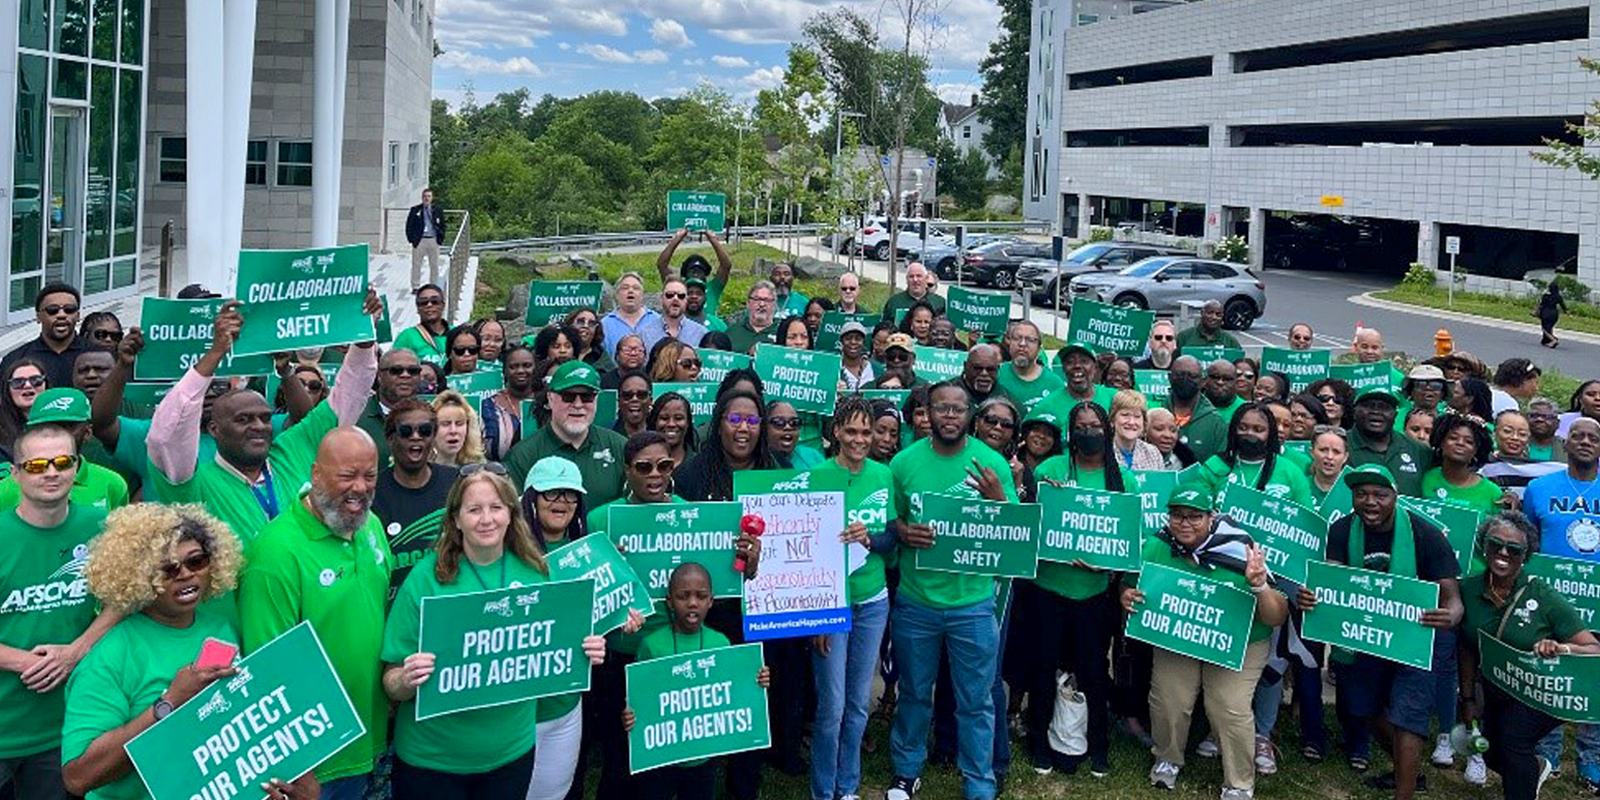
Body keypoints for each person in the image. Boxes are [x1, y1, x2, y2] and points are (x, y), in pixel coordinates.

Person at [381, 464, 608, 800]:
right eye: (474, 509)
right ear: (456, 519)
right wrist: (406, 679)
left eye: (495, 508)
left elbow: (552, 657)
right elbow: (391, 681)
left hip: (510, 755)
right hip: (432, 761)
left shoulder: (536, 572)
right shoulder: (425, 578)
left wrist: (584, 650)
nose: (486, 519)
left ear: (511, 514)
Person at [61, 505, 316, 799]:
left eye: (196, 561)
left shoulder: (221, 627)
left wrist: (289, 781)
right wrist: (169, 704)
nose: (185, 574)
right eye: (167, 569)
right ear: (139, 576)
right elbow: (78, 777)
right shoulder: (110, 656)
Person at [146, 299, 378, 544]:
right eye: (243, 419)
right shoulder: (194, 486)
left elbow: (349, 394)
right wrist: (215, 353)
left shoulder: (292, 449)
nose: (258, 426)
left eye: (265, 418)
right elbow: (166, 436)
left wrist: (364, 337)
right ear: (214, 429)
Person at [238, 427, 390, 799]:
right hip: (318, 764)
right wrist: (297, 765)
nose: (360, 487)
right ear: (315, 474)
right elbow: (267, 668)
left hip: (372, 740)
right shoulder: (276, 553)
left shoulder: (370, 524)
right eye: (346, 475)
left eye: (369, 475)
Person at [884, 382, 1016, 800]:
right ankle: (906, 771)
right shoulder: (903, 464)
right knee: (915, 695)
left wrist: (999, 500)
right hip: (916, 601)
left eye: (959, 409)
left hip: (973, 605)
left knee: (976, 702)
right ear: (928, 412)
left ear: (969, 415)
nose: (950, 416)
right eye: (942, 408)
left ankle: (979, 781)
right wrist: (903, 531)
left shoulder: (991, 463)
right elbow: (891, 522)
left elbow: (1014, 538)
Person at [1300, 465, 1463, 799]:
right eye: (1361, 494)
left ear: (1395, 497)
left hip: (1418, 636)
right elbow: (1332, 578)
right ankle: (1408, 770)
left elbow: (1454, 600)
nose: (1370, 502)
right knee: (1364, 710)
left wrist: (1448, 617)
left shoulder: (1425, 534)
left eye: (1380, 495)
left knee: (1408, 716)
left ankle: (1403, 793)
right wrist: (1314, 595)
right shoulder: (1343, 530)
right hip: (1364, 636)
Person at [1128, 486, 1287, 799]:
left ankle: (1240, 782)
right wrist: (1128, 595)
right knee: (1170, 697)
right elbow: (1132, 583)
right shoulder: (1158, 545)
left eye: (1194, 517)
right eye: (1177, 515)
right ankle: (1167, 758)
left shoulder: (1240, 549)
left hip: (1241, 642)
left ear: (1211, 517)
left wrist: (1258, 586)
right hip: (1181, 635)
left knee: (1228, 705)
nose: (1185, 523)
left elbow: (1276, 616)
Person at [0, 424, 120, 800]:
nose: (51, 472)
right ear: (15, 472)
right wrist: (21, 661)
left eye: (62, 462)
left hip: (65, 727)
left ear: (77, 466)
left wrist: (77, 650)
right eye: (36, 465)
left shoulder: (102, 527)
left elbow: (125, 598)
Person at [1457, 511, 1600, 800]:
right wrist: (1469, 697)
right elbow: (1469, 645)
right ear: (1484, 545)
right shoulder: (1469, 589)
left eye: (1514, 549)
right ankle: (1536, 766)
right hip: (1499, 688)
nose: (1503, 553)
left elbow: (1593, 648)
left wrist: (1561, 648)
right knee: (1492, 751)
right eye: (1495, 544)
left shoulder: (1543, 596)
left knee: (1513, 744)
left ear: (1526, 555)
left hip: (1540, 693)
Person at [1027, 400, 1125, 776]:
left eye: (1096, 426)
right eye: (1081, 427)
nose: (1089, 433)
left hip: (1095, 594)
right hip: (1048, 587)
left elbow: (1130, 541)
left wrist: (1109, 563)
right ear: (1071, 433)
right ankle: (1040, 740)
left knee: (1093, 670)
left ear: (1108, 430)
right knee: (1044, 665)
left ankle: (1097, 743)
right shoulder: (1051, 469)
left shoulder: (1122, 480)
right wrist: (1044, 496)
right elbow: (1033, 526)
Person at [622, 563, 771, 800]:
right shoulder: (651, 645)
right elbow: (640, 699)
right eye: (683, 596)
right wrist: (631, 715)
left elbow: (733, 692)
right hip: (661, 757)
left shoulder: (720, 643)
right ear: (669, 601)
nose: (692, 603)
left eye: (701, 597)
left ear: (711, 601)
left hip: (702, 758)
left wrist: (756, 681)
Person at [811, 397, 899, 800]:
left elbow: (890, 536)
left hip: (872, 600)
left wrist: (869, 537)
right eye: (852, 431)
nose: (861, 439)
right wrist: (817, 616)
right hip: (831, 604)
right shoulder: (816, 476)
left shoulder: (883, 476)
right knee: (831, 708)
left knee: (859, 703)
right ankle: (823, 789)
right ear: (836, 434)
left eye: (867, 432)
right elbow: (805, 553)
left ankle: (848, 786)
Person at [504, 361, 628, 508]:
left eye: (587, 397)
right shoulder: (522, 456)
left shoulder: (620, 447)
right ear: (550, 399)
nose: (578, 404)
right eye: (568, 396)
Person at [374, 400, 457, 598]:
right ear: (390, 438)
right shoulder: (372, 494)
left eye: (425, 431)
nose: (416, 437)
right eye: (406, 431)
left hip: (446, 603)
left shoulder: (457, 483)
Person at [0, 389, 127, 512]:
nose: (57, 435)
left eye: (67, 426)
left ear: (87, 432)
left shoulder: (111, 484)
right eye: (48, 426)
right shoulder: (5, 491)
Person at [1191, 401, 1313, 505]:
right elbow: (1198, 510)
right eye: (1243, 428)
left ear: (1270, 434)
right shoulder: (1214, 466)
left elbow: (1305, 521)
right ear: (1234, 430)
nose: (1250, 434)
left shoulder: (1291, 472)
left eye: (1258, 430)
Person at [1347, 387, 1434, 498]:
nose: (1376, 411)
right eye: (1368, 405)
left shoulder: (1418, 450)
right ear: (1354, 411)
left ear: (1395, 414)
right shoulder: (1339, 446)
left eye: (1384, 407)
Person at [1, 284, 89, 390]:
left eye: (69, 309)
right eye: (52, 310)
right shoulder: (15, 359)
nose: (61, 315)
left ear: (78, 315)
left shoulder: (96, 354)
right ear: (38, 317)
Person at [1421, 413, 1504, 514]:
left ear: (1476, 450)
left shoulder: (1493, 493)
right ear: (1441, 442)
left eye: (1469, 442)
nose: (1460, 443)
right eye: (1453, 438)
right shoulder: (1425, 478)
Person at [655, 229, 733, 333]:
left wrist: (712, 238)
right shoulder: (678, 288)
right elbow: (662, 265)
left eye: (700, 271)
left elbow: (726, 266)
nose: (696, 274)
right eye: (692, 271)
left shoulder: (713, 288)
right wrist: (678, 238)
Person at [1164, 356, 1228, 464]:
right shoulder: (1154, 412)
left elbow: (1222, 465)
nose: (1185, 379)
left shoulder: (1216, 422)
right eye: (1179, 375)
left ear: (1203, 381)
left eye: (1192, 376)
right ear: (1169, 377)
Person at [479, 344, 536, 461]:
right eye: (513, 367)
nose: (520, 371)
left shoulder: (548, 403)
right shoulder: (487, 407)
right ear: (504, 371)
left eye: (527, 365)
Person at [995, 321, 1061, 414]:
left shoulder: (1054, 384)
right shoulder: (995, 374)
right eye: (1017, 338)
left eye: (1030, 340)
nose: (1022, 344)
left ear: (1039, 348)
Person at [1038, 343, 1117, 420]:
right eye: (1070, 362)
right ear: (1063, 368)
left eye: (1084, 361)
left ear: (1095, 367)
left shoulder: (1114, 398)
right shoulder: (1047, 406)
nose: (1077, 366)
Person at [600, 273, 661, 359]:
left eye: (636, 288)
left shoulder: (657, 320)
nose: (630, 291)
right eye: (625, 288)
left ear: (642, 295)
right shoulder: (604, 324)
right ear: (617, 295)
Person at [639, 277, 707, 351]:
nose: (675, 298)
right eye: (670, 295)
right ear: (661, 298)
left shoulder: (701, 334)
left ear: (686, 300)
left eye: (681, 296)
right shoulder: (645, 335)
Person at [0, 359, 47, 459]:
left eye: (36, 380)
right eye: (18, 382)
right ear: (7, 390)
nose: (28, 386)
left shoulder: (62, 421)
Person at [1109, 389, 1166, 471]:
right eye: (1125, 415)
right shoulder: (1101, 451)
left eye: (1137, 416)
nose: (1132, 422)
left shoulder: (1153, 453)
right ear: (1112, 420)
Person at [393, 285, 450, 364]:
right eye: (423, 303)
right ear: (417, 308)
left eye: (435, 301)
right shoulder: (407, 337)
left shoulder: (456, 334)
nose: (429, 305)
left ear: (443, 305)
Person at [430, 391, 486, 467]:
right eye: (445, 424)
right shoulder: (421, 470)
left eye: (459, 424)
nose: (453, 431)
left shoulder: (478, 470)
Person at [880, 262, 946, 324]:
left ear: (926, 279)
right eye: (911, 276)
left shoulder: (939, 302)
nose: (915, 280)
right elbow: (885, 329)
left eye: (919, 276)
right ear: (906, 280)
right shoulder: (894, 302)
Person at [726, 281, 780, 355]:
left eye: (767, 300)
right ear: (748, 303)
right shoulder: (733, 331)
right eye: (757, 299)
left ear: (774, 305)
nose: (762, 304)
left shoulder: (782, 331)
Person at [406, 188, 446, 286]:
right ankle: (415, 285)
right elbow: (409, 225)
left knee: (434, 265)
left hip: (433, 240)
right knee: (416, 264)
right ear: (422, 197)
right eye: (425, 196)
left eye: (429, 196)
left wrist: (440, 239)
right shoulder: (415, 210)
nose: (426, 198)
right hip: (420, 240)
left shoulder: (437, 210)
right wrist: (411, 239)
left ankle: (433, 284)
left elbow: (443, 225)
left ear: (432, 198)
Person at [1308, 423, 1351, 509]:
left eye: (1336, 452)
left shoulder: (1352, 492)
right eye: (1323, 450)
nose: (1329, 456)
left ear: (1345, 457)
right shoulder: (1299, 486)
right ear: (1312, 452)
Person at [1174, 300, 1241, 352]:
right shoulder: (1184, 337)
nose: (1214, 317)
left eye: (1218, 314)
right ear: (1202, 313)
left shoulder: (1230, 341)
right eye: (1210, 313)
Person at [649, 393, 697, 465]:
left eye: (678, 418)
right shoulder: (642, 463)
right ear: (654, 421)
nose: (671, 424)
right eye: (664, 418)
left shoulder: (700, 464)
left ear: (688, 423)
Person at [1525, 398, 1566, 462]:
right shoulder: (1517, 444)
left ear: (1557, 423)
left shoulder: (1567, 448)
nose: (1539, 419)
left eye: (1546, 416)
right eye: (1534, 415)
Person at [614, 371, 653, 439]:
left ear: (650, 401)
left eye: (641, 395)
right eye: (627, 395)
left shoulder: (660, 436)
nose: (634, 399)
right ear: (619, 401)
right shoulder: (608, 437)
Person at [838, 322, 876, 391]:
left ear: (863, 342)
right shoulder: (834, 368)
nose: (853, 342)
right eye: (848, 338)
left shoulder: (875, 368)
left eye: (858, 339)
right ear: (841, 342)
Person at [1537, 280, 1565, 348]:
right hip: (1554, 313)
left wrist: (1537, 312)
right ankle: (1547, 339)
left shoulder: (1545, 296)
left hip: (1546, 313)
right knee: (1550, 327)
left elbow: (1541, 305)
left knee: (1545, 328)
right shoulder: (1558, 297)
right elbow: (1563, 306)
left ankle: (1553, 340)